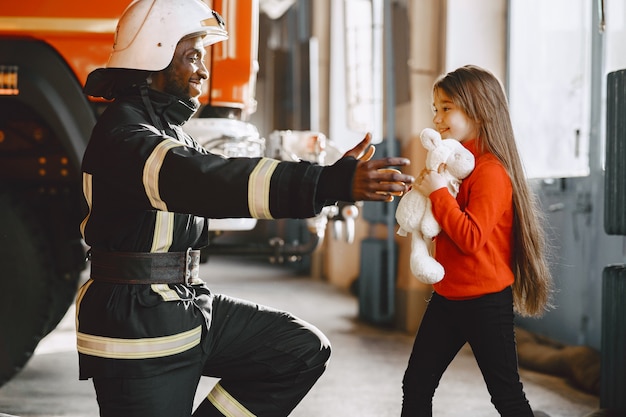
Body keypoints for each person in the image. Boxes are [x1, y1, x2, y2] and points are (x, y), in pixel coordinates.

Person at [76, 1, 414, 416]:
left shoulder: (166, 131)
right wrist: (328, 182)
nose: (203, 70)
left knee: (297, 350)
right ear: (154, 57)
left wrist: (326, 183)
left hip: (179, 306)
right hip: (137, 326)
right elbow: (210, 180)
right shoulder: (125, 138)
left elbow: (222, 177)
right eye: (192, 56)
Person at [400, 65, 553, 416]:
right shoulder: (454, 169)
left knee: (506, 396)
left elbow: (470, 238)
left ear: (478, 111)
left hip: (486, 302)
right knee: (417, 384)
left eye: (446, 108)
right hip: (448, 297)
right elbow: (441, 221)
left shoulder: (491, 171)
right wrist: (423, 196)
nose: (437, 118)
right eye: (434, 109)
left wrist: (438, 194)